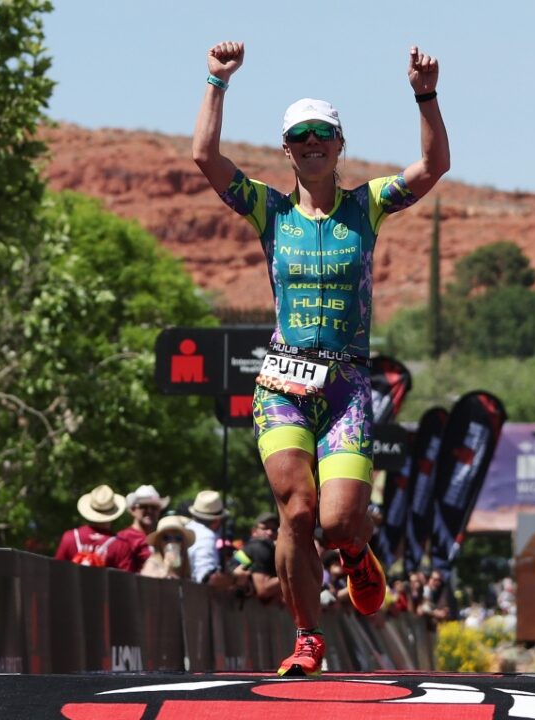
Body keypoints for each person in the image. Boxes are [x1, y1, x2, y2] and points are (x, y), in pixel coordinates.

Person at [193, 40, 449, 677]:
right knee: (296, 512)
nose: (311, 142)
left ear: (339, 145)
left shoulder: (368, 205)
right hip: (281, 379)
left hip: (346, 385)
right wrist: (217, 81)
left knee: (335, 523)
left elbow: (433, 164)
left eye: (322, 134)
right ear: (287, 148)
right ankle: (308, 637)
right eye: (299, 135)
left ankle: (355, 552)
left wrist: (425, 94)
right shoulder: (268, 209)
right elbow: (204, 156)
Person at [54, 484, 131, 569]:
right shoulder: (121, 546)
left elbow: (57, 571)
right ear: (113, 512)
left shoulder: (69, 537)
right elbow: (126, 580)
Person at [185, 490, 234, 590]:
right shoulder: (206, 537)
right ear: (217, 520)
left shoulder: (187, 528)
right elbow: (207, 577)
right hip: (197, 599)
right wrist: (235, 578)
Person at [232, 511, 282, 603]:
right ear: (254, 531)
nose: (270, 532)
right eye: (265, 528)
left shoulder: (262, 548)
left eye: (274, 529)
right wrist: (293, 577)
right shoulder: (260, 546)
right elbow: (263, 590)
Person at [118, 484, 169, 573]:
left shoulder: (162, 538)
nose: (149, 511)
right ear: (133, 509)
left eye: (154, 507)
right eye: (143, 506)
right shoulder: (123, 538)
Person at [141, 514, 196, 580]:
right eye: (166, 538)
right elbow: (149, 586)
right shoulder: (152, 563)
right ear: (158, 542)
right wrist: (167, 567)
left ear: (183, 543)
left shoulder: (185, 566)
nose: (172, 542)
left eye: (178, 538)